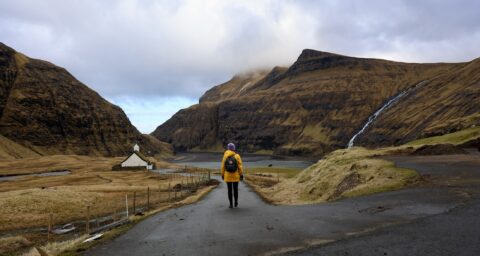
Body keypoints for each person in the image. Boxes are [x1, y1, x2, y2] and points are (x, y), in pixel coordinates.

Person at [221, 142, 243, 208]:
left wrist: (222, 174)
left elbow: (223, 167)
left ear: (228, 148)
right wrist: (241, 174)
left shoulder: (225, 156)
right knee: (235, 189)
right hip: (236, 175)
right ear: (234, 149)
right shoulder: (237, 156)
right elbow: (240, 167)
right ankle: (236, 202)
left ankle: (231, 204)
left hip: (228, 176)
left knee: (229, 190)